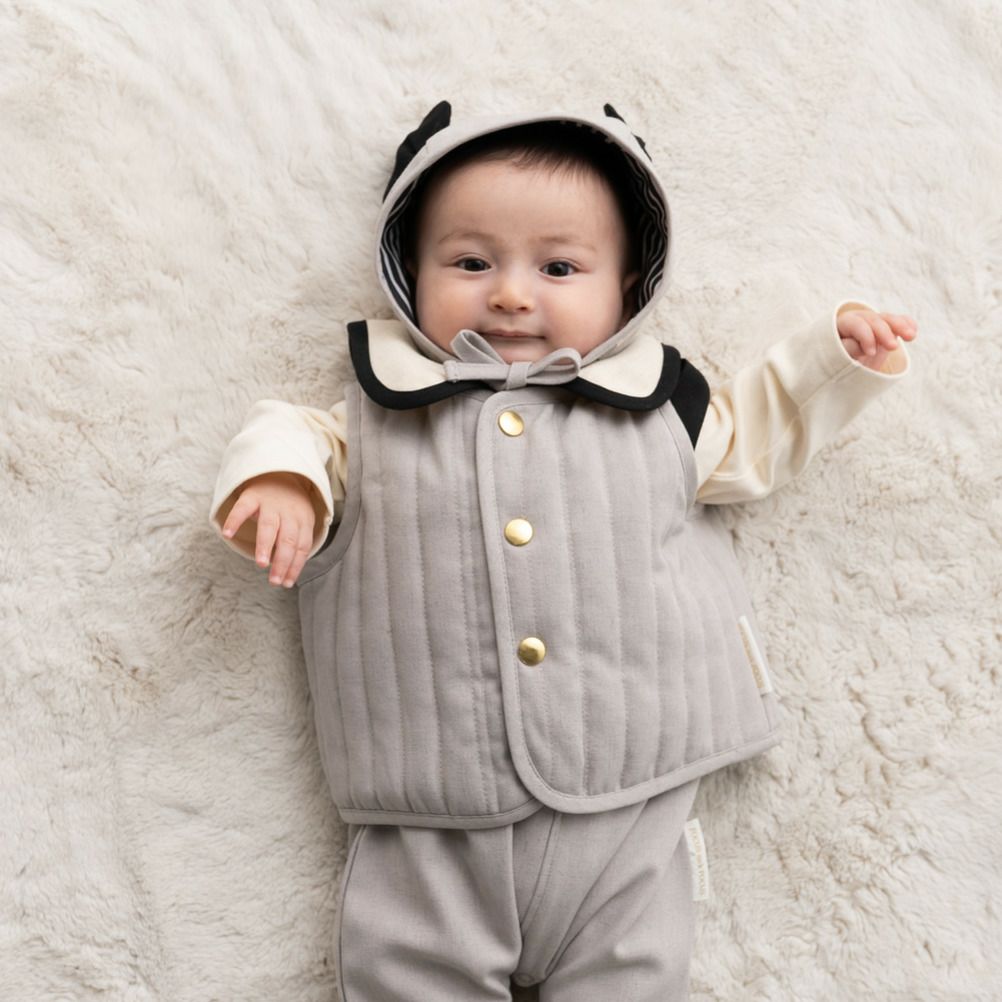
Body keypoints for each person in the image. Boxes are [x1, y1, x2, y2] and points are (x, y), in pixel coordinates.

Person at [208, 101, 917, 1000]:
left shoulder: (660, 409)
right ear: (408, 273)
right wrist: (281, 481)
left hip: (631, 809)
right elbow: (293, 433)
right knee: (406, 976)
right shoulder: (377, 416)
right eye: (471, 262)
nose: (511, 294)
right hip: (431, 819)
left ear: (628, 287)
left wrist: (832, 358)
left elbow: (754, 436)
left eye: (559, 267)